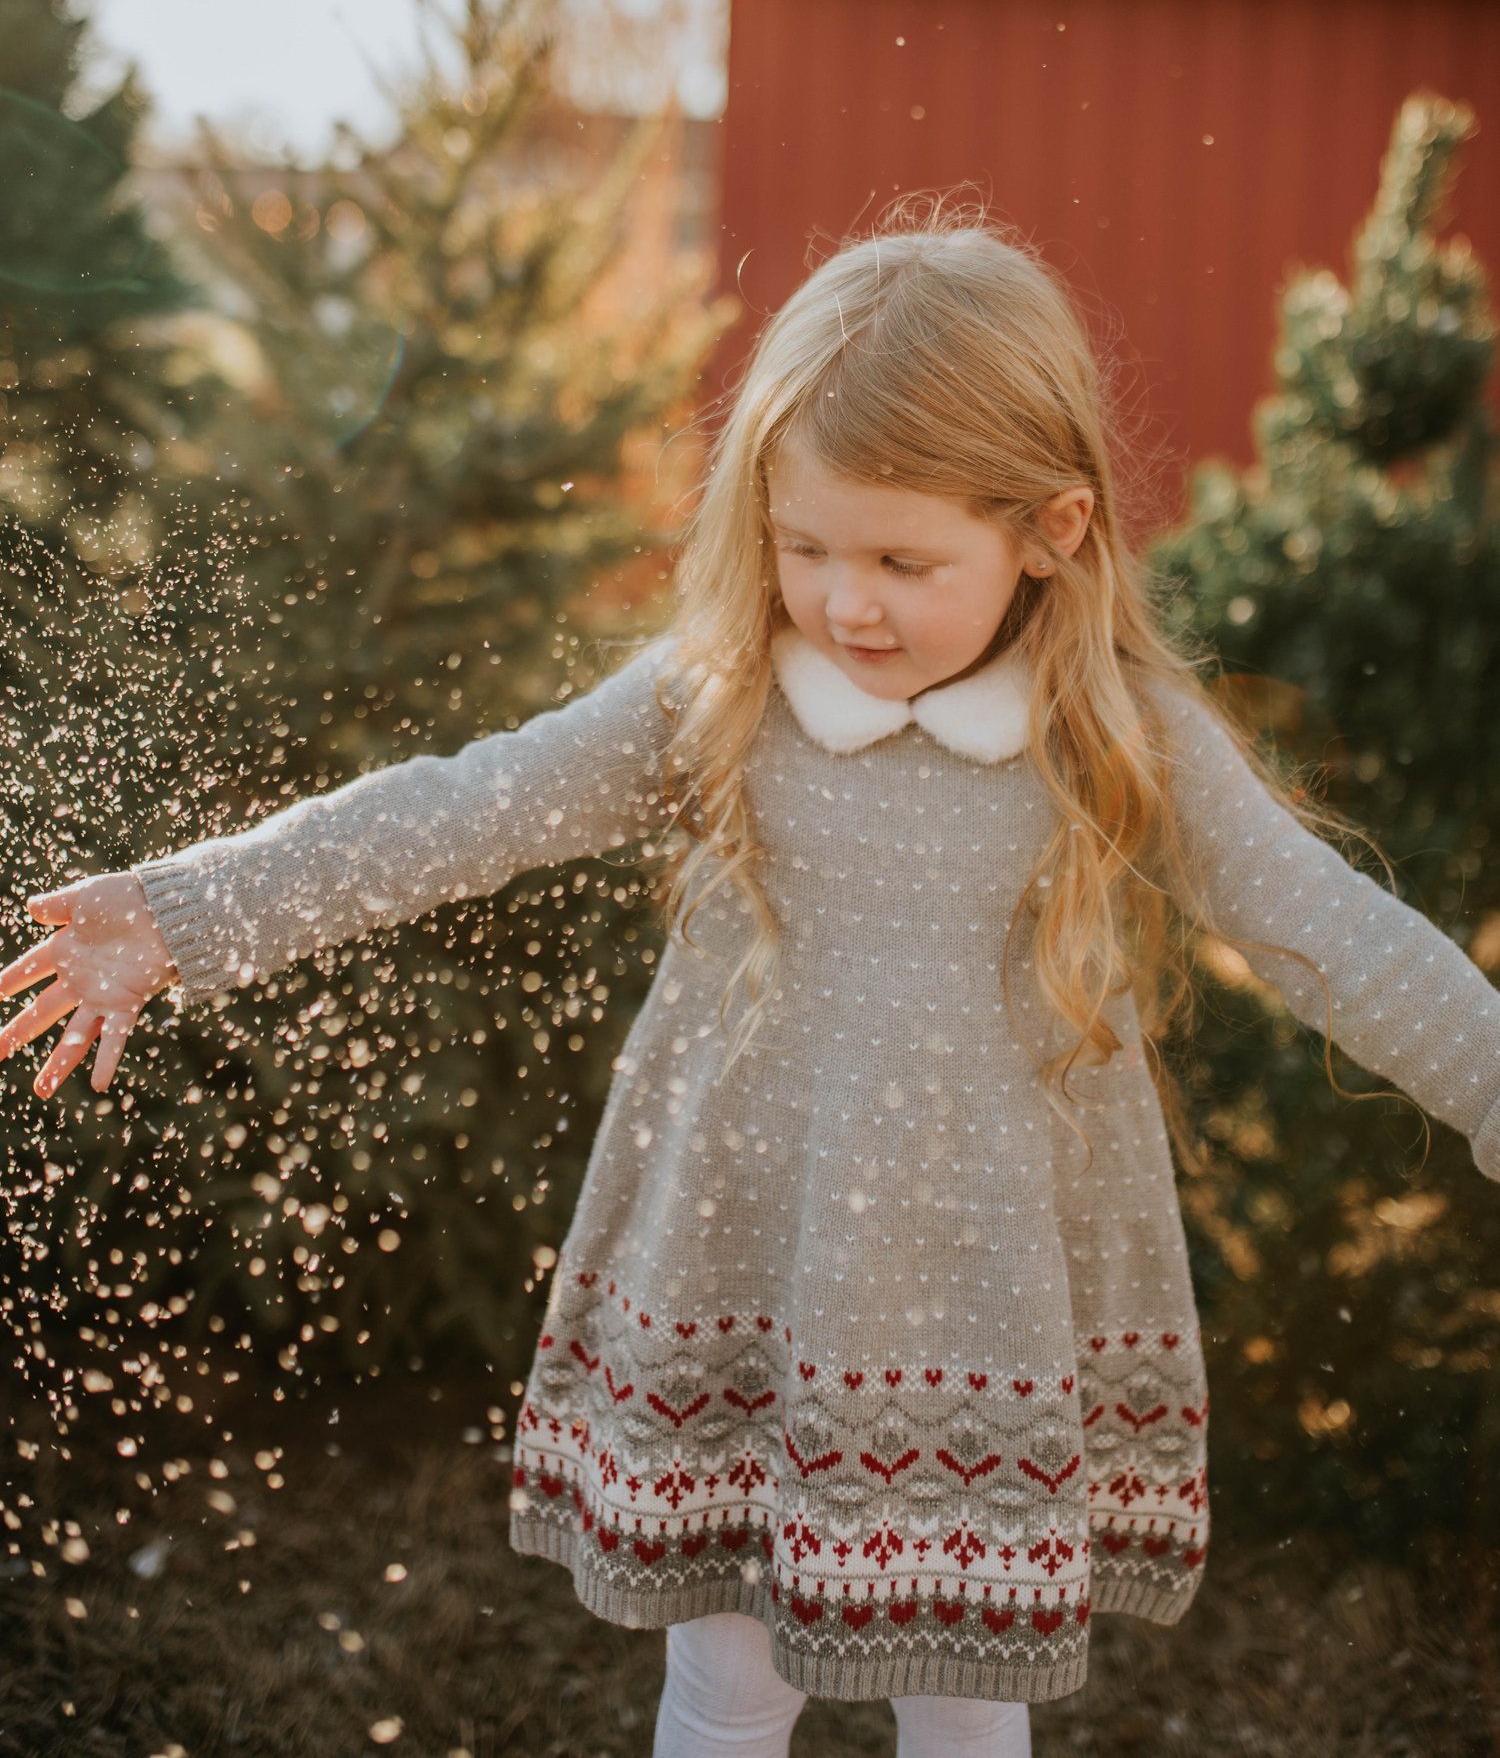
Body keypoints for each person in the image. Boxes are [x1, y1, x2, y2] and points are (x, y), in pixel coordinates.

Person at [2, 209, 1498, 1758]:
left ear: (1049, 530)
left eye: (906, 561)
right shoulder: (717, 701)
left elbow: (1337, 933)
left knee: (966, 1709)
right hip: (742, 1266)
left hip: (978, 1306)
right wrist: (195, 909)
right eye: (805, 549)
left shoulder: (1119, 738)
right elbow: (470, 808)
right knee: (723, 1689)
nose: (847, 603)